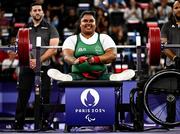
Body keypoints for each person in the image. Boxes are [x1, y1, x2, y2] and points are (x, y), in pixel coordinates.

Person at [47, 11, 135, 81]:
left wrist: (95, 59)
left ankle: (115, 77)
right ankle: (65, 77)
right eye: (85, 21)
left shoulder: (104, 38)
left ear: (95, 24)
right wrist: (75, 60)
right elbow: (67, 56)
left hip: (101, 75)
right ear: (80, 24)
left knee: (110, 77)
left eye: (91, 21)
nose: (88, 23)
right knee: (69, 78)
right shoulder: (72, 39)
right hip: (77, 76)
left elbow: (113, 55)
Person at [13, 2, 59, 130]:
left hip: (44, 67)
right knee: (23, 94)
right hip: (27, 67)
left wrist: (38, 60)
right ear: (31, 13)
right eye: (35, 10)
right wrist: (31, 61)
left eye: (39, 10)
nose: (37, 12)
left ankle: (44, 123)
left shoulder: (51, 28)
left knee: (45, 94)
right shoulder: (23, 29)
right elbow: (20, 48)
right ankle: (18, 123)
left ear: (43, 12)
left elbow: (53, 48)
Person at [161, 0, 180, 70]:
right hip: (171, 66)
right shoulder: (166, 26)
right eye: (176, 8)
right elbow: (164, 46)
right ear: (172, 11)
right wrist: (175, 58)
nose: (179, 10)